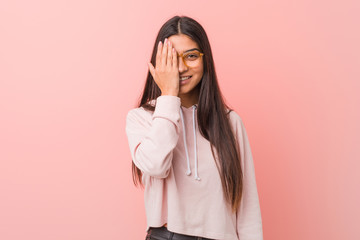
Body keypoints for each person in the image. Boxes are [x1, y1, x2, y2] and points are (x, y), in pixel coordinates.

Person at [125, 15, 263, 240]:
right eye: (171, 58)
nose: (180, 67)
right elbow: (156, 165)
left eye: (190, 56)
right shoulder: (141, 118)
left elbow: (247, 208)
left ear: (205, 59)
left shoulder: (231, 123)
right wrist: (168, 96)